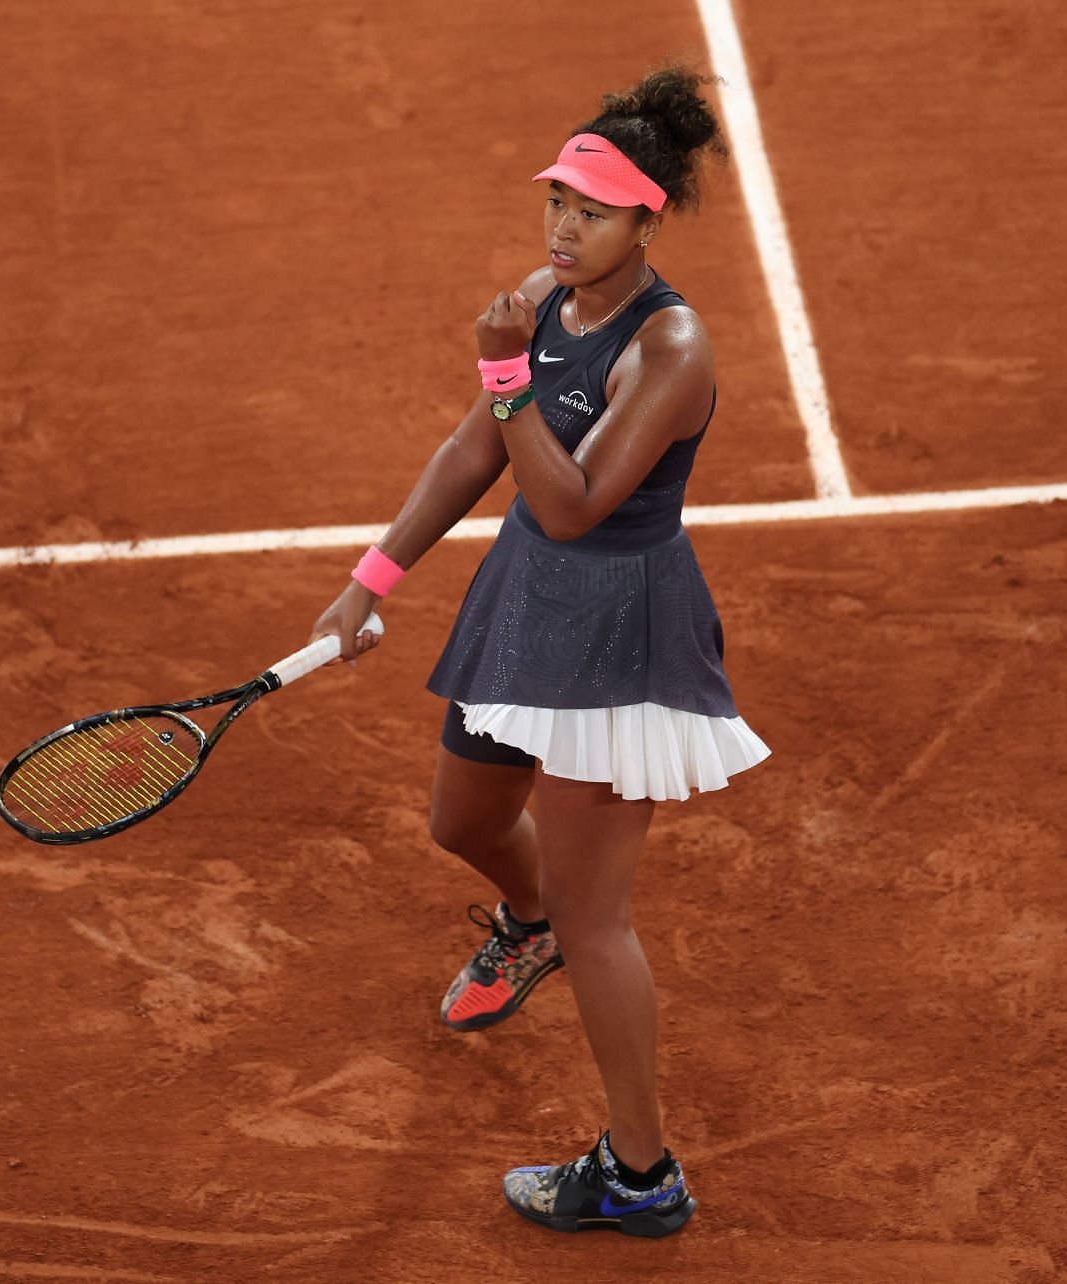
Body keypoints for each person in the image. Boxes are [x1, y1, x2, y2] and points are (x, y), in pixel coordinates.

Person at [308, 65, 771, 1238]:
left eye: (594, 209)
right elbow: (475, 453)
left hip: (618, 631)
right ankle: (529, 929)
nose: (564, 226)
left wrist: (510, 376)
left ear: (646, 219)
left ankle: (639, 1174)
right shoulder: (543, 299)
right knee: (461, 824)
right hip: (525, 601)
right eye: (557, 200)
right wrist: (371, 579)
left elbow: (571, 505)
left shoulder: (670, 352)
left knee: (596, 906)